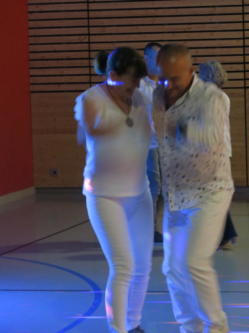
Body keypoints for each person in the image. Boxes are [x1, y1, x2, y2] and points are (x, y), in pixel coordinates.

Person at [153, 44, 233, 333]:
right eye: (162, 78)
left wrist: (174, 126)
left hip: (210, 191)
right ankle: (190, 328)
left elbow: (212, 136)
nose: (167, 85)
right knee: (172, 269)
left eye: (174, 79)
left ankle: (217, 327)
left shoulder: (212, 97)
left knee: (195, 262)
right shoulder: (157, 94)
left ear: (191, 71)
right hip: (176, 194)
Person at [74, 47, 152, 333]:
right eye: (129, 81)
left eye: (138, 82)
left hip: (139, 193)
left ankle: (133, 324)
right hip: (105, 195)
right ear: (112, 75)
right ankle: (117, 329)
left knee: (143, 267)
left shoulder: (142, 99)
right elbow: (88, 132)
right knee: (123, 266)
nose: (133, 88)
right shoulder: (90, 99)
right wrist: (98, 128)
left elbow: (154, 137)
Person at [198, 60, 238, 250]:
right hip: (220, 150)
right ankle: (222, 234)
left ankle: (226, 234)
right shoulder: (221, 97)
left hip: (212, 151)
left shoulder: (210, 98)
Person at [138, 42, 164, 242]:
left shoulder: (166, 84)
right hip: (147, 145)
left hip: (167, 145)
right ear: (146, 58)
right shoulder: (138, 86)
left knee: (163, 188)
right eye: (154, 56)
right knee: (152, 187)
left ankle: (156, 226)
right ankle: (147, 228)